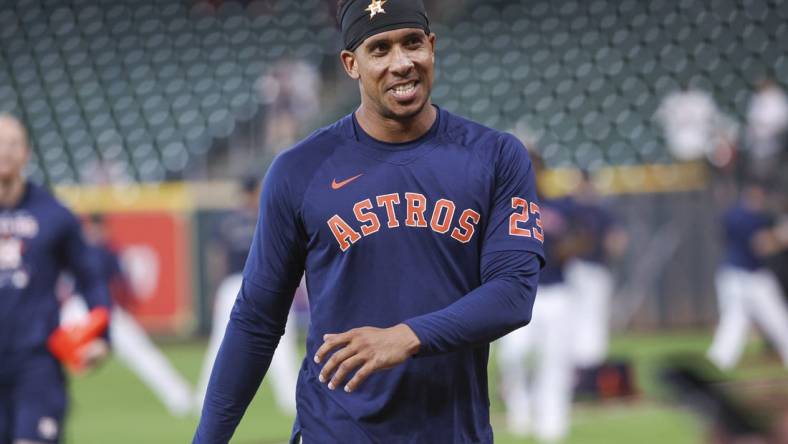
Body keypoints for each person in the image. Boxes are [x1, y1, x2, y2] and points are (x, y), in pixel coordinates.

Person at [193, 1, 545, 442]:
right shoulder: (299, 170)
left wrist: (405, 336)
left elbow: (513, 294)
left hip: (450, 430)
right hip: (334, 431)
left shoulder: (495, 156)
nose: (402, 63)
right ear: (351, 64)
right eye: (379, 49)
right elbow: (256, 319)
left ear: (432, 47)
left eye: (412, 43)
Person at [0, 113, 111, 444]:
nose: (4, 151)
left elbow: (91, 277)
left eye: (12, 144)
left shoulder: (55, 214)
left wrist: (101, 335)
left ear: (27, 153)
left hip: (36, 362)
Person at [59, 214, 194, 417]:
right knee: (47, 353)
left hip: (102, 308)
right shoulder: (87, 251)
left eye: (98, 228)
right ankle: (49, 402)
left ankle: (180, 399)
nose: (95, 232)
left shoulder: (106, 252)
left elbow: (120, 284)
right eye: (92, 228)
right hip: (80, 307)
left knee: (141, 352)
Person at [194, 176, 299, 415]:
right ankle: (206, 396)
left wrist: (214, 288)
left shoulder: (228, 219)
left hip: (250, 284)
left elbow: (215, 256)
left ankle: (205, 397)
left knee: (225, 343)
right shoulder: (268, 216)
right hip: (251, 284)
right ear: (252, 192)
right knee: (228, 343)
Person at [497, 153, 580, 442]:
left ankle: (552, 425)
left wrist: (564, 248)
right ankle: (520, 408)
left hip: (556, 291)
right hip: (518, 291)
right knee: (514, 354)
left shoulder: (560, 206)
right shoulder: (502, 206)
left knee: (555, 360)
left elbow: (580, 240)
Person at [707, 178, 788, 370]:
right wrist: (781, 236)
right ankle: (718, 363)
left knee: (734, 322)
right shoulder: (751, 216)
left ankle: (718, 363)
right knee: (777, 320)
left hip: (731, 275)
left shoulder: (733, 213)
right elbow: (762, 246)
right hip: (750, 277)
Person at [565, 170, 628, 369]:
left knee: (593, 314)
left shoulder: (599, 212)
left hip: (593, 268)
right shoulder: (571, 210)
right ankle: (582, 358)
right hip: (577, 267)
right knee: (579, 314)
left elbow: (617, 240)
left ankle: (591, 359)